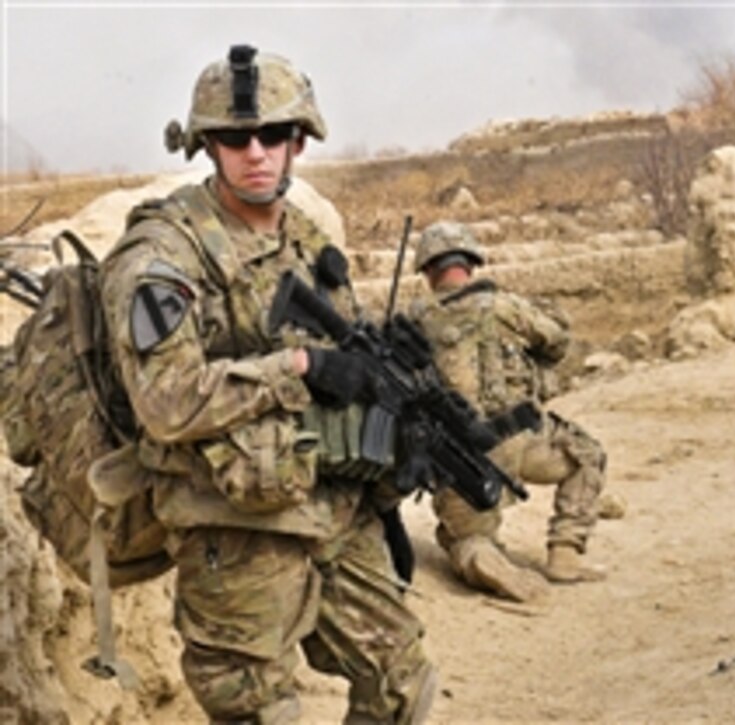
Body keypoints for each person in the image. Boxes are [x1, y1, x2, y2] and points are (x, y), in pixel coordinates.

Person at [98, 45, 436, 723]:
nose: (255, 151)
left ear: (298, 143)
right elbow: (164, 401)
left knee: (402, 682)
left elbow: (351, 364)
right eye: (234, 137)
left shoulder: (304, 239)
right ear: (207, 146)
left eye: (273, 135)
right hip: (233, 526)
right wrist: (299, 369)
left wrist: (398, 433)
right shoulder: (162, 253)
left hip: (332, 508)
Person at [407, 221, 608, 602]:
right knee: (588, 455)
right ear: (470, 263)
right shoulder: (505, 307)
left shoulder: (417, 323)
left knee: (461, 536)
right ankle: (565, 554)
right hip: (524, 440)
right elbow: (557, 344)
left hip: (459, 457)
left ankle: (478, 554)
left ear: (428, 271)